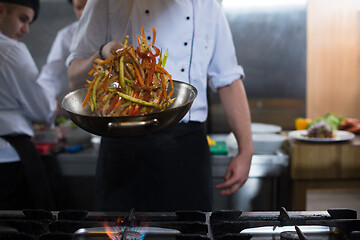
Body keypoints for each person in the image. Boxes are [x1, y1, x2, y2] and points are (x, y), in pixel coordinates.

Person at [67, 0, 254, 212]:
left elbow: (228, 80)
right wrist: (102, 54)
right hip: (122, 147)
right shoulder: (106, 2)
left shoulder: (207, 5)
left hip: (186, 149)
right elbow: (74, 78)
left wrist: (246, 150)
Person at [0, 0, 62, 210]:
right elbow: (42, 110)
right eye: (22, 19)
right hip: (9, 159)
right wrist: (54, 107)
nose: (25, 29)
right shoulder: (10, 50)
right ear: (1, 11)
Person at [37, 0, 87, 119]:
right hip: (78, 113)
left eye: (89, 7)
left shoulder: (117, 31)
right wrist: (44, 103)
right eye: (79, 8)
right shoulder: (66, 36)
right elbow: (50, 76)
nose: (84, 13)